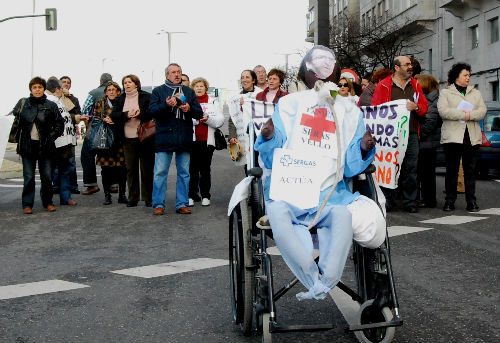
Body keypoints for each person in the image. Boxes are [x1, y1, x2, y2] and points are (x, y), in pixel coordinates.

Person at [254, 46, 381, 300]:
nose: (323, 70)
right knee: (279, 210)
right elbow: (273, 156)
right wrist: (269, 136)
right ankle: (310, 274)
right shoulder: (289, 104)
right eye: (317, 64)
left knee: (346, 215)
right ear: (305, 71)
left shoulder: (349, 109)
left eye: (329, 64)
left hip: (331, 191)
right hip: (292, 187)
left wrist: (365, 146)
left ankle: (328, 276)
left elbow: (353, 162)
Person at [371, 55, 428, 213]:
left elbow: (424, 107)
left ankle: (410, 202)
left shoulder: (415, 84)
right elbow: (376, 109)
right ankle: (388, 201)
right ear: (397, 68)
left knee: (411, 168)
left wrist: (416, 107)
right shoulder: (383, 86)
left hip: (410, 134)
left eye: (410, 64)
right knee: (389, 167)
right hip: (390, 137)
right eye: (406, 64)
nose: (410, 67)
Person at [149, 63, 203, 215]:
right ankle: (158, 204)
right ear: (167, 75)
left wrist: (189, 109)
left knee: (184, 172)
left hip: (183, 137)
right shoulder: (158, 91)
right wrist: (166, 105)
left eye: (179, 72)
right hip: (164, 137)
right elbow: (152, 111)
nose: (177, 75)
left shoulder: (188, 91)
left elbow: (199, 113)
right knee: (160, 172)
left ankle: (182, 204)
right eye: (173, 72)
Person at [438, 62, 486, 212]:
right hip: (453, 137)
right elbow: (444, 112)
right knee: (451, 170)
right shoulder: (446, 93)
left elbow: (482, 111)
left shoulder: (475, 93)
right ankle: (449, 201)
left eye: (469, 75)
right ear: (456, 76)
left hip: (471, 137)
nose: (468, 78)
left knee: (470, 171)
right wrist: (464, 115)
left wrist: (469, 115)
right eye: (465, 75)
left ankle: (471, 201)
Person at [12, 77, 64, 214]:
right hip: (27, 146)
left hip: (46, 147)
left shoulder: (51, 105)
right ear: (30, 89)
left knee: (46, 177)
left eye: (40, 87)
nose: (37, 90)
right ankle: (27, 204)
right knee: (28, 177)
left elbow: (60, 124)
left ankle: (48, 202)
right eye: (34, 87)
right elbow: (13, 119)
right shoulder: (23, 103)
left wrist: (51, 137)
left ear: (43, 89)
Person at [110, 75, 154, 207]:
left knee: (146, 169)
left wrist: (140, 113)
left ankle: (148, 197)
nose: (127, 84)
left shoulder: (146, 96)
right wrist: (126, 115)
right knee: (131, 169)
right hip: (127, 138)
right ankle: (133, 197)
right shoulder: (120, 98)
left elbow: (152, 112)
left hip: (144, 137)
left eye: (130, 82)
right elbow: (113, 114)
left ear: (136, 84)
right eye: (125, 83)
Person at [188, 77, 225, 207]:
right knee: (192, 170)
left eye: (201, 86)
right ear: (193, 88)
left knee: (205, 170)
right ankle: (191, 195)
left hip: (207, 141)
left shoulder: (213, 102)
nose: (199, 88)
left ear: (206, 88)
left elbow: (220, 121)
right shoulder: (189, 102)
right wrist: (197, 120)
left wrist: (208, 119)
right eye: (196, 86)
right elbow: (185, 120)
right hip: (192, 141)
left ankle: (205, 196)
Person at [45, 77, 78, 206]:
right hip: (55, 142)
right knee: (52, 171)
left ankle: (65, 197)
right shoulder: (50, 102)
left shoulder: (59, 101)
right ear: (57, 89)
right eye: (62, 88)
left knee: (65, 170)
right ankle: (48, 200)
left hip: (66, 142)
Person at [93, 81, 127, 205]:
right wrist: (104, 120)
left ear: (118, 91)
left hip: (119, 139)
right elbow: (95, 121)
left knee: (122, 168)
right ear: (106, 92)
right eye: (109, 90)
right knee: (105, 168)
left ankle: (122, 195)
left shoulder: (123, 103)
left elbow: (126, 119)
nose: (111, 92)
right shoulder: (99, 104)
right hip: (104, 140)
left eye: (114, 89)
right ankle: (107, 195)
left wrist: (115, 122)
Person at [80, 73, 113, 195]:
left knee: (87, 154)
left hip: (96, 127)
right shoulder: (117, 91)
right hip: (113, 127)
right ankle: (113, 184)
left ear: (100, 82)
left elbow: (85, 111)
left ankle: (91, 184)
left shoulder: (93, 93)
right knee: (109, 152)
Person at [415, 74, 441, 208]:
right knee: (424, 172)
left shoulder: (433, 100)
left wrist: (417, 134)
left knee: (426, 173)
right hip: (426, 141)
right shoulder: (429, 98)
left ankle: (428, 199)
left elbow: (430, 122)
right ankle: (425, 198)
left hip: (427, 142)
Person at [55, 75, 81, 194]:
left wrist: (68, 98)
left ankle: (72, 185)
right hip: (57, 134)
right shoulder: (53, 97)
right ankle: (56, 186)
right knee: (56, 161)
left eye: (68, 82)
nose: (66, 84)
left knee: (70, 161)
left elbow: (78, 115)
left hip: (70, 133)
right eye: (63, 82)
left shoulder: (74, 99)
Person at [228, 69, 262, 145]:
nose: (244, 80)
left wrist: (246, 108)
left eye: (247, 77)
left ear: (253, 80)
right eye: (242, 77)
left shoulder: (261, 95)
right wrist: (232, 136)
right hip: (240, 139)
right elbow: (232, 119)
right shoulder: (235, 97)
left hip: (257, 137)